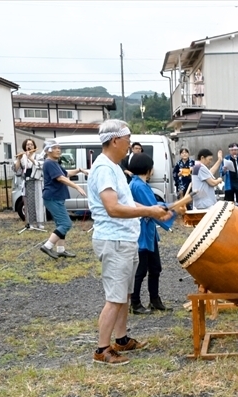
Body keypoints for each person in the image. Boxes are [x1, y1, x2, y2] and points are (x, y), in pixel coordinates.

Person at [87, 119, 172, 366]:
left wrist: (151, 209)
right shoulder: (104, 168)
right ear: (115, 140)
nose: (130, 145)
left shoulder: (115, 167)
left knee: (124, 293)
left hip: (124, 238)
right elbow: (113, 208)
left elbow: (126, 202)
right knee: (115, 297)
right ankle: (102, 349)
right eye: (127, 139)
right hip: (113, 239)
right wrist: (149, 212)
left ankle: (121, 339)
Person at [128, 153, 176, 315]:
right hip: (141, 233)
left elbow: (154, 206)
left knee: (155, 267)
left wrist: (168, 207)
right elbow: (152, 208)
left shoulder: (139, 183)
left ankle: (155, 300)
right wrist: (171, 209)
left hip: (148, 232)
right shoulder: (138, 185)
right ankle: (135, 303)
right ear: (148, 169)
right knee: (141, 269)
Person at [39, 139, 88, 259]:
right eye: (55, 148)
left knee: (61, 224)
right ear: (48, 150)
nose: (58, 150)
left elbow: (66, 173)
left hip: (56, 197)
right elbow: (60, 178)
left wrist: (80, 170)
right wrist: (76, 186)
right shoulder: (49, 163)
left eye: (59, 148)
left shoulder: (54, 163)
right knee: (66, 223)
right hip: (53, 197)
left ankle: (61, 250)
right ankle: (47, 246)